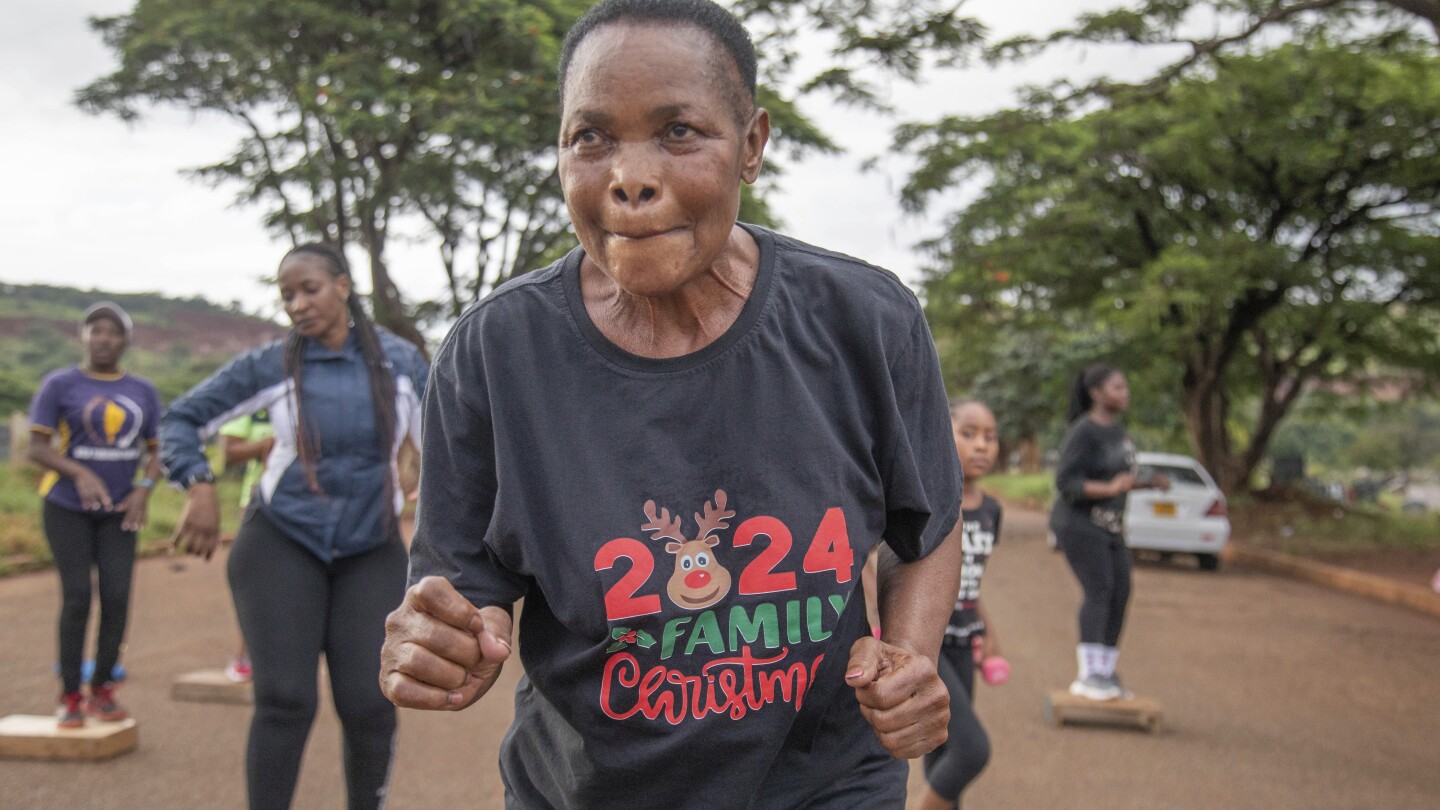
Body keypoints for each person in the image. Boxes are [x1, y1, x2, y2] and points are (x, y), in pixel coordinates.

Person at [379, 1, 965, 806]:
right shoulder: (494, 354)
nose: (629, 178)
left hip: (823, 785)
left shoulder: (865, 322)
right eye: (591, 138)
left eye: (679, 131)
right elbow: (460, 582)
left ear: (752, 145)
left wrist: (907, 658)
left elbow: (926, 525)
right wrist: (448, 638)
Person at [161, 244, 427, 810]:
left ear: (341, 286)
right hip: (281, 541)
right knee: (285, 700)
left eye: (308, 289)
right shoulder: (271, 365)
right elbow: (182, 418)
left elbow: (452, 451)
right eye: (286, 295)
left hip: (370, 545)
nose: (297, 304)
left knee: (369, 703)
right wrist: (199, 483)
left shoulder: (401, 364)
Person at [27, 301, 162, 728]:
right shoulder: (59, 385)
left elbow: (158, 452)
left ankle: (102, 690)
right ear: (82, 337)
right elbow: (37, 447)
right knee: (77, 598)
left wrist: (143, 488)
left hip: (120, 511)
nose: (103, 338)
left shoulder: (143, 391)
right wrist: (79, 472)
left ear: (126, 341)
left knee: (118, 597)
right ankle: (69, 694)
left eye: (113, 331)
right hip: (67, 507)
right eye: (95, 330)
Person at [1051, 364, 1167, 701]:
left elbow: (1121, 481)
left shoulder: (1118, 432)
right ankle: (1088, 675)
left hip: (1112, 528)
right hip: (1079, 525)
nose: (1125, 393)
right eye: (1118, 387)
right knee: (1099, 590)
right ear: (1096, 393)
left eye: (1125, 387)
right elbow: (1066, 483)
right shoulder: (1083, 431)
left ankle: (1105, 670)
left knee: (1121, 593)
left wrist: (1148, 483)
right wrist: (1110, 488)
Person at [919, 401, 1005, 810]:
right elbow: (877, 562)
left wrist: (988, 629)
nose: (981, 445)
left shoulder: (992, 511)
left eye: (990, 436)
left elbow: (971, 581)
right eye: (968, 433)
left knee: (944, 752)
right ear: (942, 431)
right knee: (972, 751)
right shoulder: (929, 501)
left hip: (963, 643)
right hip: (929, 643)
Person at [217, 409, 274, 683]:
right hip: (257, 505)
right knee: (257, 584)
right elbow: (228, 451)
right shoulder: (258, 401)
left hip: (312, 504)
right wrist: (269, 445)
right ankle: (245, 655)